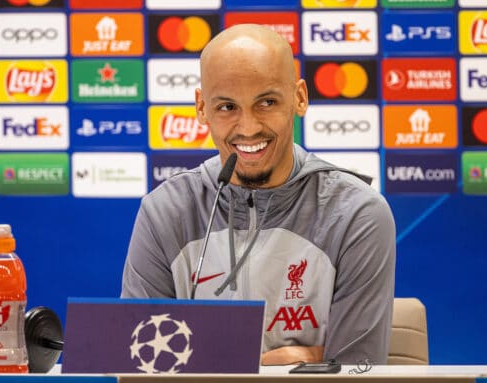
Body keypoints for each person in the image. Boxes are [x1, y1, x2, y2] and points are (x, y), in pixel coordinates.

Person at [121, 24, 396, 366]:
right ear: (201, 108)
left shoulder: (357, 213)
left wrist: (205, 363)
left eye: (266, 102)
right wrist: (278, 362)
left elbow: (358, 369)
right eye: (226, 107)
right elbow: (137, 364)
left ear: (299, 97)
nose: (248, 127)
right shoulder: (165, 211)